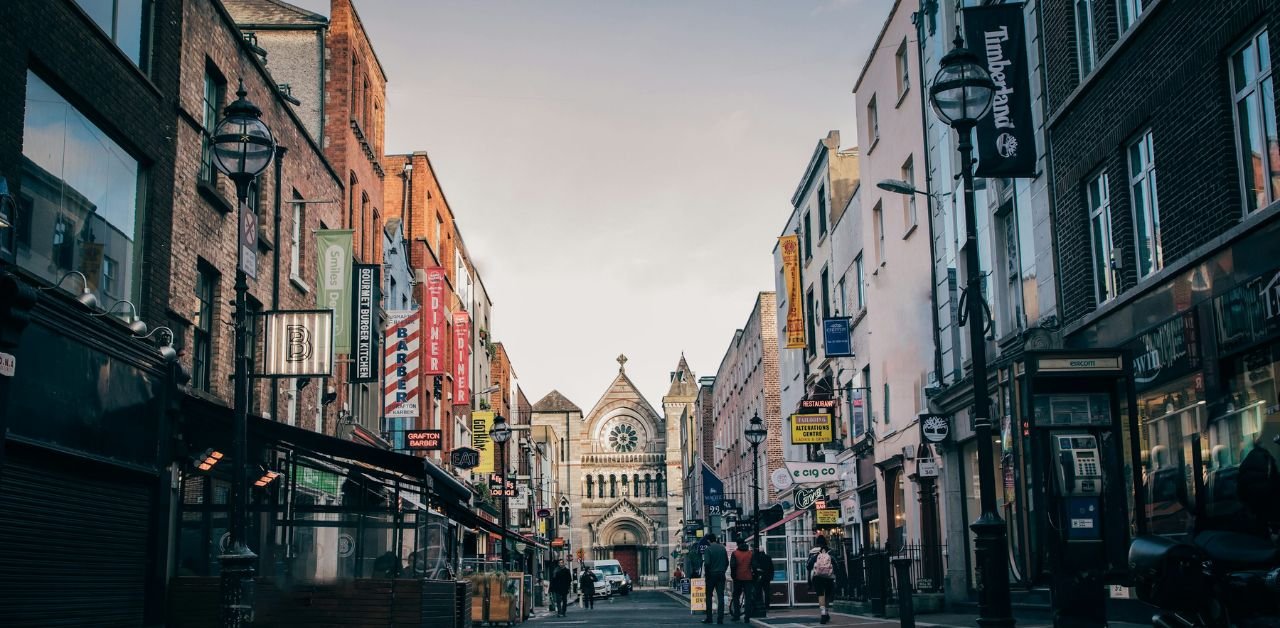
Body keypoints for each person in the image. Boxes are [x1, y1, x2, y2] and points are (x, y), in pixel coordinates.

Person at [807, 535, 835, 624]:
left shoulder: (813, 551)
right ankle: (826, 612)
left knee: (820, 594)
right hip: (829, 576)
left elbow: (808, 565)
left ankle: (823, 614)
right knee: (827, 594)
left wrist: (809, 582)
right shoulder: (830, 551)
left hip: (817, 576)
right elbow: (835, 563)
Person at [701, 533, 729, 624]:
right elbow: (727, 562)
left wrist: (707, 575)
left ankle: (709, 618)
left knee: (709, 596)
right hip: (721, 574)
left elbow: (707, 564)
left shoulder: (708, 549)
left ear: (709, 540)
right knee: (720, 596)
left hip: (711, 575)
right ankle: (720, 619)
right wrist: (722, 570)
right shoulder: (722, 548)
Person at [729, 539, 754, 622]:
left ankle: (736, 614)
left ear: (737, 544)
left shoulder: (735, 553)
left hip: (738, 578)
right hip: (748, 577)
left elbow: (733, 566)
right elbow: (753, 565)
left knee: (736, 596)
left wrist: (733, 576)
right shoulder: (750, 553)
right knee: (748, 597)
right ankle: (747, 616)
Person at [751, 542, 774, 618]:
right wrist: (771, 576)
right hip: (767, 577)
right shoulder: (768, 557)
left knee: (758, 591)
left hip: (759, 577)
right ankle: (767, 606)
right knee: (767, 592)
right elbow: (771, 568)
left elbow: (754, 567)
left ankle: (760, 605)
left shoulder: (756, 558)